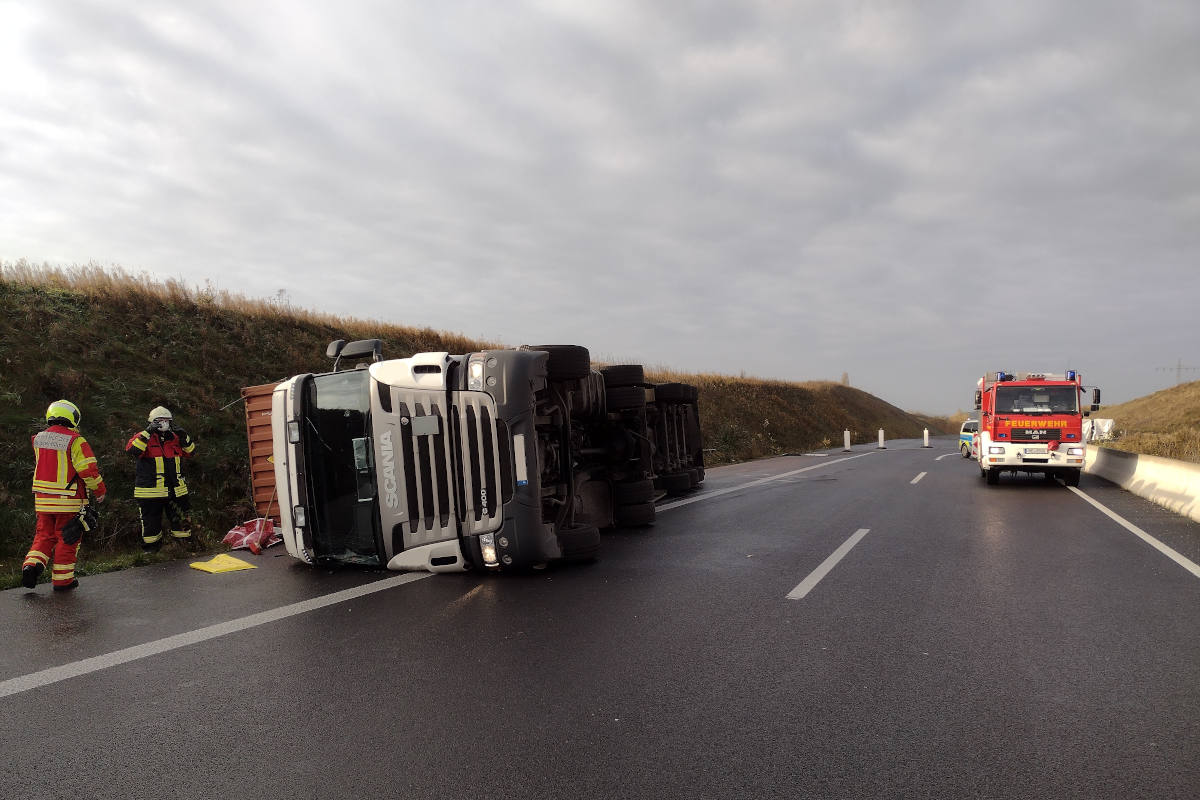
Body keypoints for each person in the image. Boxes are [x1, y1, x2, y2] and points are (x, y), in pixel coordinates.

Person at [23, 400, 107, 591]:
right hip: (68, 502)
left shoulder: (38, 439)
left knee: (43, 536)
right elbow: (88, 470)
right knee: (68, 539)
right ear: (73, 417)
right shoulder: (76, 440)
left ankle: (31, 566)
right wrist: (99, 490)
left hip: (43, 501)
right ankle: (63, 581)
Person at [125, 406, 197, 551]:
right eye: (160, 421)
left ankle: (184, 549)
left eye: (167, 420)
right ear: (152, 422)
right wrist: (147, 432)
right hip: (150, 493)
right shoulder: (143, 437)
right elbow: (132, 450)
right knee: (151, 524)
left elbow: (191, 452)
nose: (164, 423)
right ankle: (152, 552)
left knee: (181, 521)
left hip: (177, 491)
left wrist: (184, 436)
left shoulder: (176, 438)